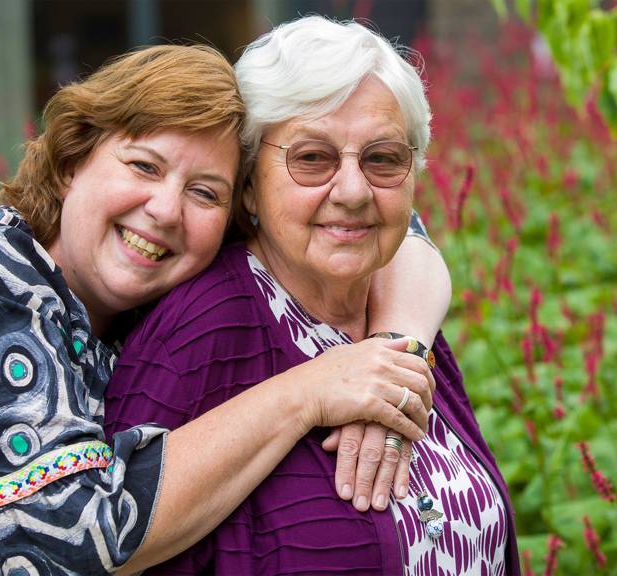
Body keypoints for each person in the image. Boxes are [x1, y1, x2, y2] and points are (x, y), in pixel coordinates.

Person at [0, 43, 444, 576]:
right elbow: (47, 544)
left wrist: (398, 346)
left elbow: (392, 237)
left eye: (205, 193)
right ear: (71, 162)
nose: (165, 210)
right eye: (144, 167)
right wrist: (313, 389)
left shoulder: (135, 310)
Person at [105, 17, 520, 576]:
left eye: (383, 159)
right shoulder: (205, 324)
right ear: (249, 182)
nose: (352, 192)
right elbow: (110, 538)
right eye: (311, 159)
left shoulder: (396, 311)